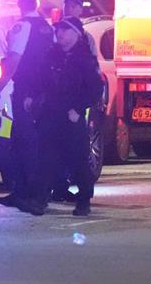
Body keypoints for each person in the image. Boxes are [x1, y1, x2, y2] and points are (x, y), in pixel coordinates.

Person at [0, 0, 54, 215]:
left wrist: (0, 86)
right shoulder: (46, 27)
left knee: (23, 142)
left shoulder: (22, 26)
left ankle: (28, 194)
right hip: (43, 91)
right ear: (37, 1)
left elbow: (14, 59)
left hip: (26, 89)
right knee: (32, 142)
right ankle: (24, 192)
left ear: (21, 2)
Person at [39, 17, 103, 216]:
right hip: (51, 114)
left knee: (77, 160)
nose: (60, 36)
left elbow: (95, 88)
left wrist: (78, 108)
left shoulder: (85, 59)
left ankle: (83, 201)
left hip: (71, 117)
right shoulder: (51, 56)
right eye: (58, 32)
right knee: (46, 158)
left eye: (65, 32)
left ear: (76, 34)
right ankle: (40, 198)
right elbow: (41, 81)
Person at [50, 0, 104, 204]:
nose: (69, 8)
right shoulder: (58, 34)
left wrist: (82, 105)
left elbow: (92, 74)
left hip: (78, 105)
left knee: (78, 149)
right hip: (60, 105)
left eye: (74, 6)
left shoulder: (84, 38)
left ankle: (84, 194)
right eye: (67, 5)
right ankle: (59, 188)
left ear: (80, 9)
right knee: (56, 149)